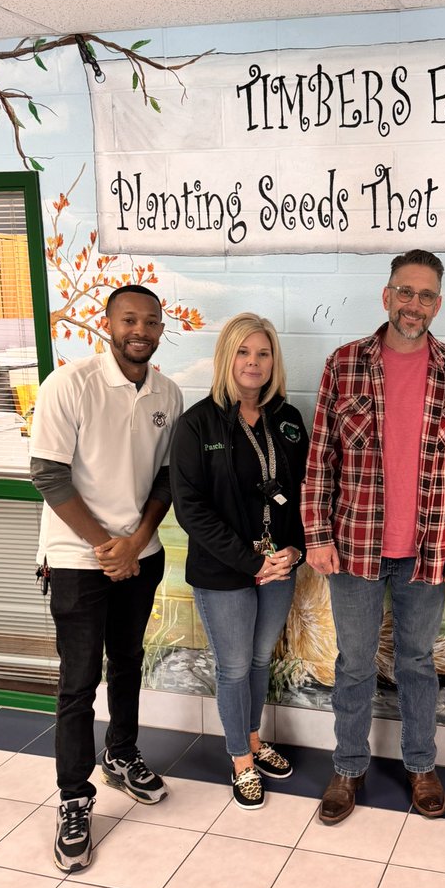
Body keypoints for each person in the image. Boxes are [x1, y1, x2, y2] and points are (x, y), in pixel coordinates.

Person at [303, 249, 445, 824]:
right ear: (386, 296)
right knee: (354, 663)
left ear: (438, 303)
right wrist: (316, 534)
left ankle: (420, 764)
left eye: (426, 295)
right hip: (354, 545)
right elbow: (321, 456)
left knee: (417, 663)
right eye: (405, 292)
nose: (414, 304)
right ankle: (349, 767)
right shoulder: (344, 363)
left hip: (427, 551)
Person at [30, 284, 183, 872]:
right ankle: (74, 797)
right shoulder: (69, 385)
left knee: (127, 660)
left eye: (150, 320)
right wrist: (104, 545)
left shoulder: (167, 392)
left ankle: (121, 755)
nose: (139, 329)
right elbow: (48, 474)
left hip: (137, 557)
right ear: (107, 323)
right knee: (78, 680)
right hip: (75, 557)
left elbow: (166, 479)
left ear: (160, 327)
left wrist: (138, 543)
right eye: (128, 319)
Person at [170, 313, 306, 809]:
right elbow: (191, 510)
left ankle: (252, 737)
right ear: (226, 358)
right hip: (225, 571)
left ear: (274, 362)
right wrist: (251, 563)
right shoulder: (197, 423)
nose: (254, 363)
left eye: (263, 353)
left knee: (256, 659)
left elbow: (304, 493)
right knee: (231, 667)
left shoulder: (287, 421)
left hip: (279, 568)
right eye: (243, 353)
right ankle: (240, 760)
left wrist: (295, 550)